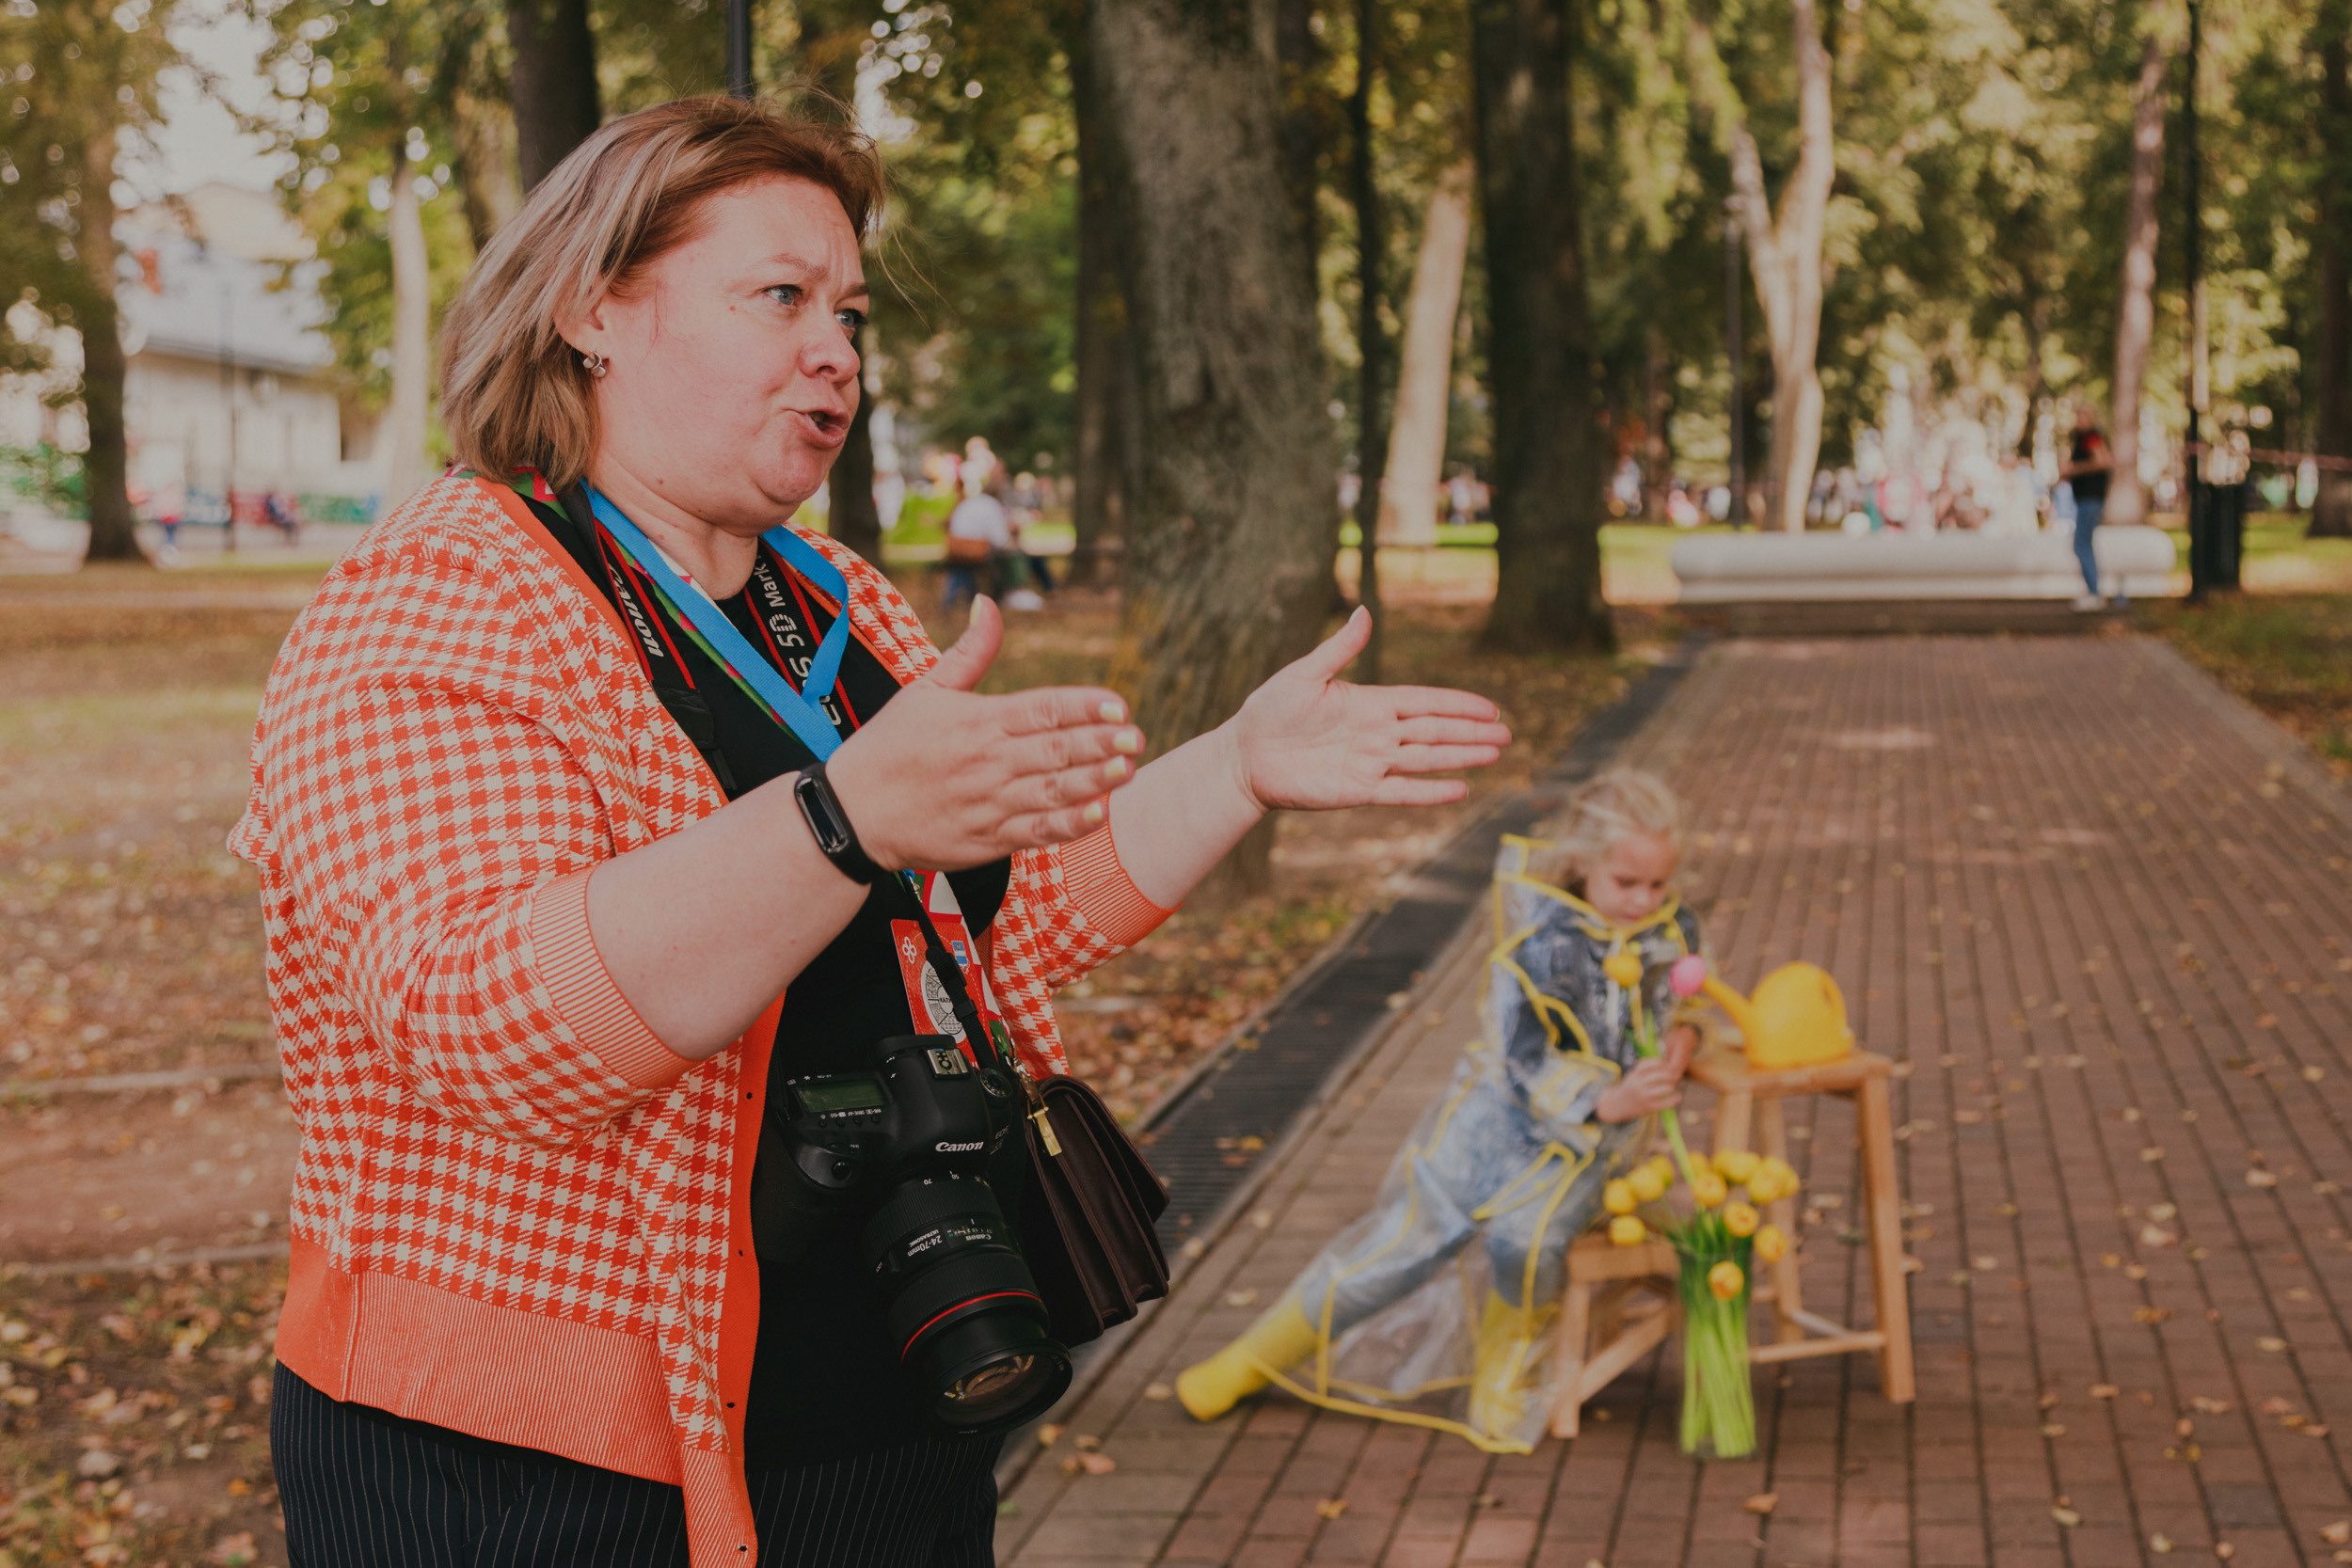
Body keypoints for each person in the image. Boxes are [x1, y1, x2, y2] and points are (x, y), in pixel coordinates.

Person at [232, 96, 1510, 1568]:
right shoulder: (438, 599)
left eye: (844, 306)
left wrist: (1237, 768)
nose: (834, 347)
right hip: (539, 1460)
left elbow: (982, 934)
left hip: (890, 1397)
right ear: (595, 307)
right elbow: (491, 1022)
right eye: (776, 295)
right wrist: (840, 823)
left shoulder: (834, 601)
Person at [1173, 769, 1703, 1452]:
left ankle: (1505, 1367)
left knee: (1527, 1238)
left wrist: (1683, 1041)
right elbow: (1519, 1052)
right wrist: (1602, 1096)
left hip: (1588, 1148)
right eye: (1627, 883)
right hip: (1498, 1121)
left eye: (1658, 885)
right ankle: (1253, 1356)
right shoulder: (1540, 940)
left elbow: (1685, 1003)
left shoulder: (1671, 928)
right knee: (1406, 1243)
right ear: (1582, 861)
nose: (1645, 900)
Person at [944, 471, 1039, 612]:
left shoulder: (969, 502)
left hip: (955, 548)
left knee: (965, 569)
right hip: (974, 550)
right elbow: (1000, 539)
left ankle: (960, 599)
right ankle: (1007, 593)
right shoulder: (991, 505)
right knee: (1009, 558)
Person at [2059, 405, 2113, 609]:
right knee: (2083, 544)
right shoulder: (2085, 438)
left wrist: (2073, 470)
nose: (2078, 421)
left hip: (2090, 499)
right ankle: (2093, 590)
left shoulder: (2091, 437)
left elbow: (2102, 461)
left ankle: (2094, 592)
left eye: (2082, 417)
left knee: (2081, 544)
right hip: (2086, 499)